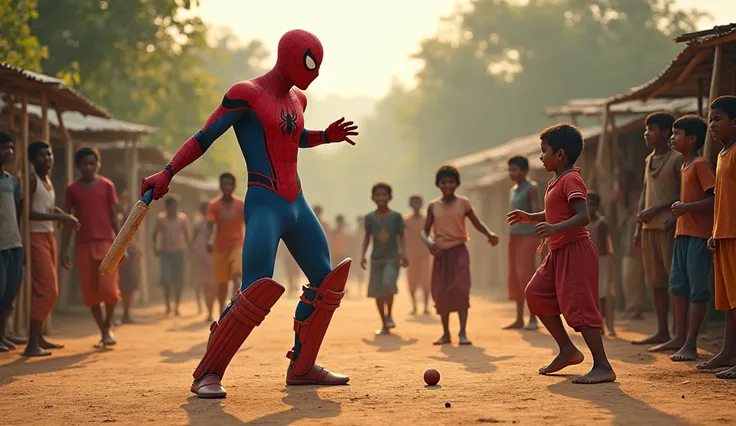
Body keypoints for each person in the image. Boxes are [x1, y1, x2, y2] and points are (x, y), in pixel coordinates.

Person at [140, 29, 359, 397]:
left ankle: (302, 367)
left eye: (319, 65)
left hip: (297, 201)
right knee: (254, 290)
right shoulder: (246, 94)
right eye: (310, 63)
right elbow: (204, 136)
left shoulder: (299, 100)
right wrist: (168, 171)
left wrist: (325, 136)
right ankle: (208, 372)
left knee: (327, 282)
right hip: (265, 201)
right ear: (288, 57)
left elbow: (294, 137)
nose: (315, 72)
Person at [507, 123, 616, 384]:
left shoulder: (571, 179)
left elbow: (583, 216)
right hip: (557, 251)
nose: (541, 157)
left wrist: (554, 227)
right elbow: (557, 212)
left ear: (561, 154)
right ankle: (567, 349)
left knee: (581, 306)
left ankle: (603, 365)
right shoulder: (556, 180)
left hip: (576, 250)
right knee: (535, 293)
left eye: (544, 151)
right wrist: (530, 217)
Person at [646, 115, 713, 360]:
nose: (673, 139)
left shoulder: (700, 164)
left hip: (698, 235)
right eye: (672, 134)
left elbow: (714, 199)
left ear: (692, 139)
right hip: (682, 234)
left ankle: (691, 343)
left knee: (697, 291)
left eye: (677, 134)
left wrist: (686, 208)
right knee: (678, 287)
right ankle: (679, 337)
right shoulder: (685, 165)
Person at [423, 165, 499, 346]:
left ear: (456, 183)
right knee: (441, 293)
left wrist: (489, 234)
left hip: (459, 252)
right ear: (438, 184)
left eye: (451, 182)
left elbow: (476, 222)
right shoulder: (433, 206)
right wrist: (429, 243)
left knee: (461, 290)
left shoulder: (463, 203)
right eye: (444, 182)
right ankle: (446, 333)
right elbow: (424, 232)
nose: (447, 185)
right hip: (441, 253)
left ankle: (463, 332)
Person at [63, 147, 121, 348]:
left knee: (110, 290)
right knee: (91, 292)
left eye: (92, 163)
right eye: (84, 164)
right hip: (83, 245)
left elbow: (113, 215)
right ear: (77, 166)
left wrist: (122, 244)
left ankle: (108, 324)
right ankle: (104, 331)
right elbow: (68, 221)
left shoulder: (107, 186)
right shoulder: (72, 189)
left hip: (107, 243)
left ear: (98, 164)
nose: (88, 167)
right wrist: (64, 250)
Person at [632, 112, 682, 346]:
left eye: (651, 129)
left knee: (675, 281)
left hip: (667, 226)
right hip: (648, 228)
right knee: (656, 282)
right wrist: (637, 227)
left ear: (665, 132)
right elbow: (645, 193)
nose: (646, 133)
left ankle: (677, 331)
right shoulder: (647, 160)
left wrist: (662, 209)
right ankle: (662, 330)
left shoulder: (677, 159)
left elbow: (684, 193)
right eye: (646, 129)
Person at [24, 141, 76, 356]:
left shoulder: (47, 180)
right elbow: (28, 212)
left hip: (49, 235)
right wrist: (59, 216)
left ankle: (38, 338)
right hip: (35, 236)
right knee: (48, 290)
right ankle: (31, 344)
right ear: (32, 159)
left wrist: (60, 213)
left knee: (46, 289)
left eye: (50, 154)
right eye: (42, 156)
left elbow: (43, 207)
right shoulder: (31, 179)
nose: (48, 159)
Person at [699, 96, 736, 379]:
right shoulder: (722, 155)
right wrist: (714, 232)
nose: (711, 125)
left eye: (718, 119)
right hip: (723, 234)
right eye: (710, 120)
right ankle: (727, 351)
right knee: (727, 301)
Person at [361, 183, 408, 335]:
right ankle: (384, 322)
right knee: (377, 291)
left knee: (388, 285)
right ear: (372, 198)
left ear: (390, 197)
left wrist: (404, 253)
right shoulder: (369, 218)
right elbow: (367, 238)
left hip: (392, 258)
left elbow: (402, 236)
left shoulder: (396, 217)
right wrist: (363, 255)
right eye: (378, 195)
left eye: (384, 195)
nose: (381, 198)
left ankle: (389, 315)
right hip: (376, 258)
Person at [505, 155, 540, 330]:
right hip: (514, 236)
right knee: (514, 276)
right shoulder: (513, 189)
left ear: (525, 170)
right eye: (510, 170)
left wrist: (538, 234)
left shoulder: (531, 188)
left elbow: (535, 212)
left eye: (515, 169)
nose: (511, 173)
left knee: (525, 275)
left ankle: (533, 318)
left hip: (528, 236)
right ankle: (519, 318)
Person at [206, 173, 245, 311]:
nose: (227, 187)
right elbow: (210, 225)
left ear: (234, 186)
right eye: (225, 184)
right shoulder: (214, 205)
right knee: (222, 284)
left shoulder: (240, 204)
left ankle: (234, 305)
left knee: (237, 275)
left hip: (237, 245)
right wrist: (209, 240)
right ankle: (222, 308)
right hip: (220, 247)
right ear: (220, 186)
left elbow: (249, 222)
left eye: (230, 184)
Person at [0, 132, 24, 352]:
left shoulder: (12, 181)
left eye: (10, 148)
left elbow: (18, 211)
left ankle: (3, 334)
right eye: (4, 148)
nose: (8, 152)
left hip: (13, 242)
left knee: (10, 290)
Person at [153, 194, 191, 316]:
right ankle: (168, 305)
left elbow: (187, 235)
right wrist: (155, 248)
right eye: (172, 207)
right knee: (166, 279)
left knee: (179, 280)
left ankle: (177, 306)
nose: (174, 209)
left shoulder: (182, 219)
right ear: (167, 207)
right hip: (166, 252)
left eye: (175, 206)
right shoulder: (161, 219)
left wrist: (190, 250)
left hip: (179, 251)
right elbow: (154, 234)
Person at [587, 192, 615, 337]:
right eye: (587, 205)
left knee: (604, 295)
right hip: (588, 263)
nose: (589, 208)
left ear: (597, 206)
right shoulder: (582, 223)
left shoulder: (601, 222)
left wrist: (610, 258)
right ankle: (599, 325)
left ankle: (609, 325)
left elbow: (609, 242)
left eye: (591, 205)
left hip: (602, 260)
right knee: (593, 296)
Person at [404, 194, 432, 315]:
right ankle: (414, 306)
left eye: (418, 203)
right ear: (410, 205)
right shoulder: (406, 221)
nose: (416, 205)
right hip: (411, 255)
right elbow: (402, 238)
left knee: (426, 280)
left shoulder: (427, 220)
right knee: (412, 281)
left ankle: (426, 307)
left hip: (425, 254)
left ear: (421, 204)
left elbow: (432, 236)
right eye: (414, 203)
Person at [191, 201, 215, 321]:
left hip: (215, 258)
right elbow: (192, 240)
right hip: (202, 258)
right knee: (206, 286)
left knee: (214, 286)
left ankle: (214, 309)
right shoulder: (199, 224)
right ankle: (209, 311)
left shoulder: (216, 223)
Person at [351, 215, 366, 295]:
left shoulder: (366, 232)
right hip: (356, 255)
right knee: (356, 273)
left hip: (363, 256)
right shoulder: (355, 232)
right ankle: (357, 290)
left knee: (361, 274)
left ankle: (360, 290)